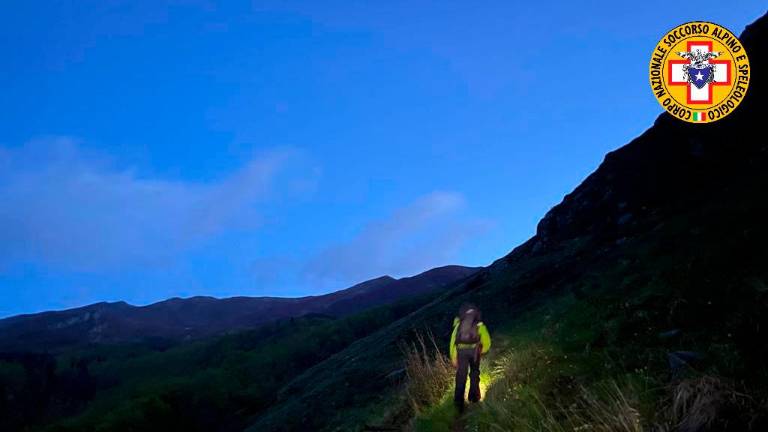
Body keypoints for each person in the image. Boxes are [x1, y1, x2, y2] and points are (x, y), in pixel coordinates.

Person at [449, 303, 491, 411]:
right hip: (475, 351)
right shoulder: (479, 324)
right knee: (474, 372)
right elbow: (487, 342)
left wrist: (454, 357)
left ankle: (458, 404)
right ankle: (474, 398)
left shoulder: (459, 324)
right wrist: (482, 350)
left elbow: (453, 341)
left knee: (461, 376)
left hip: (461, 351)